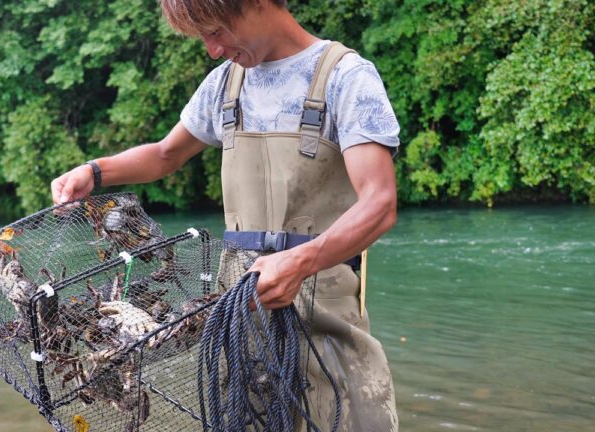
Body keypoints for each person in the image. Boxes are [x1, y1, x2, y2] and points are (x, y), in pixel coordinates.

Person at [51, 0, 399, 430]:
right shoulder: (224, 86)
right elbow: (164, 154)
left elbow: (379, 203)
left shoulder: (346, 77)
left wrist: (300, 261)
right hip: (239, 315)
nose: (213, 50)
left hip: (323, 313)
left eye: (216, 32)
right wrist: (95, 171)